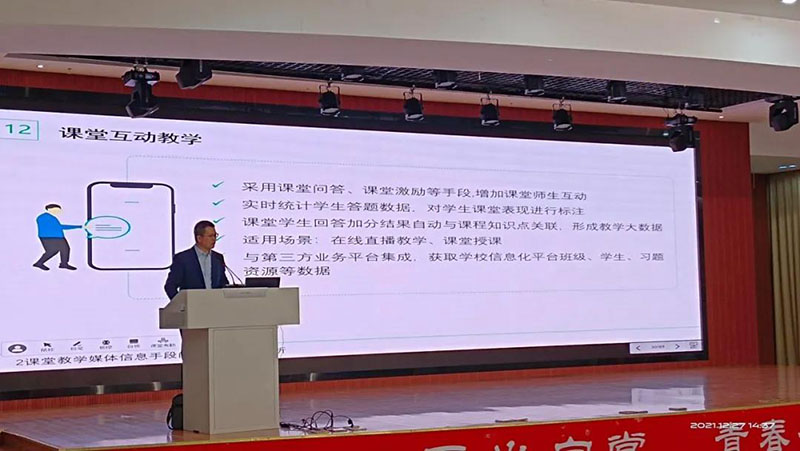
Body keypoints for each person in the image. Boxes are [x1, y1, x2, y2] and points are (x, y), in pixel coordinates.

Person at [164, 220, 229, 299]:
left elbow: (223, 284)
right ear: (199, 238)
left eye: (215, 235)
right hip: (192, 304)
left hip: (215, 304)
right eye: (210, 236)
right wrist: (181, 303)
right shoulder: (183, 259)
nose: (214, 239)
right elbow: (170, 286)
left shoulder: (218, 258)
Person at [33, 204, 83, 271]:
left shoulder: (51, 217)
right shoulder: (43, 217)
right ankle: (39, 263)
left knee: (64, 249)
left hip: (56, 237)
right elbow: (60, 227)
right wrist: (78, 227)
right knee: (53, 251)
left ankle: (63, 264)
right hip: (50, 237)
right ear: (49, 209)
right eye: (56, 210)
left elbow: (58, 227)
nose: (58, 212)